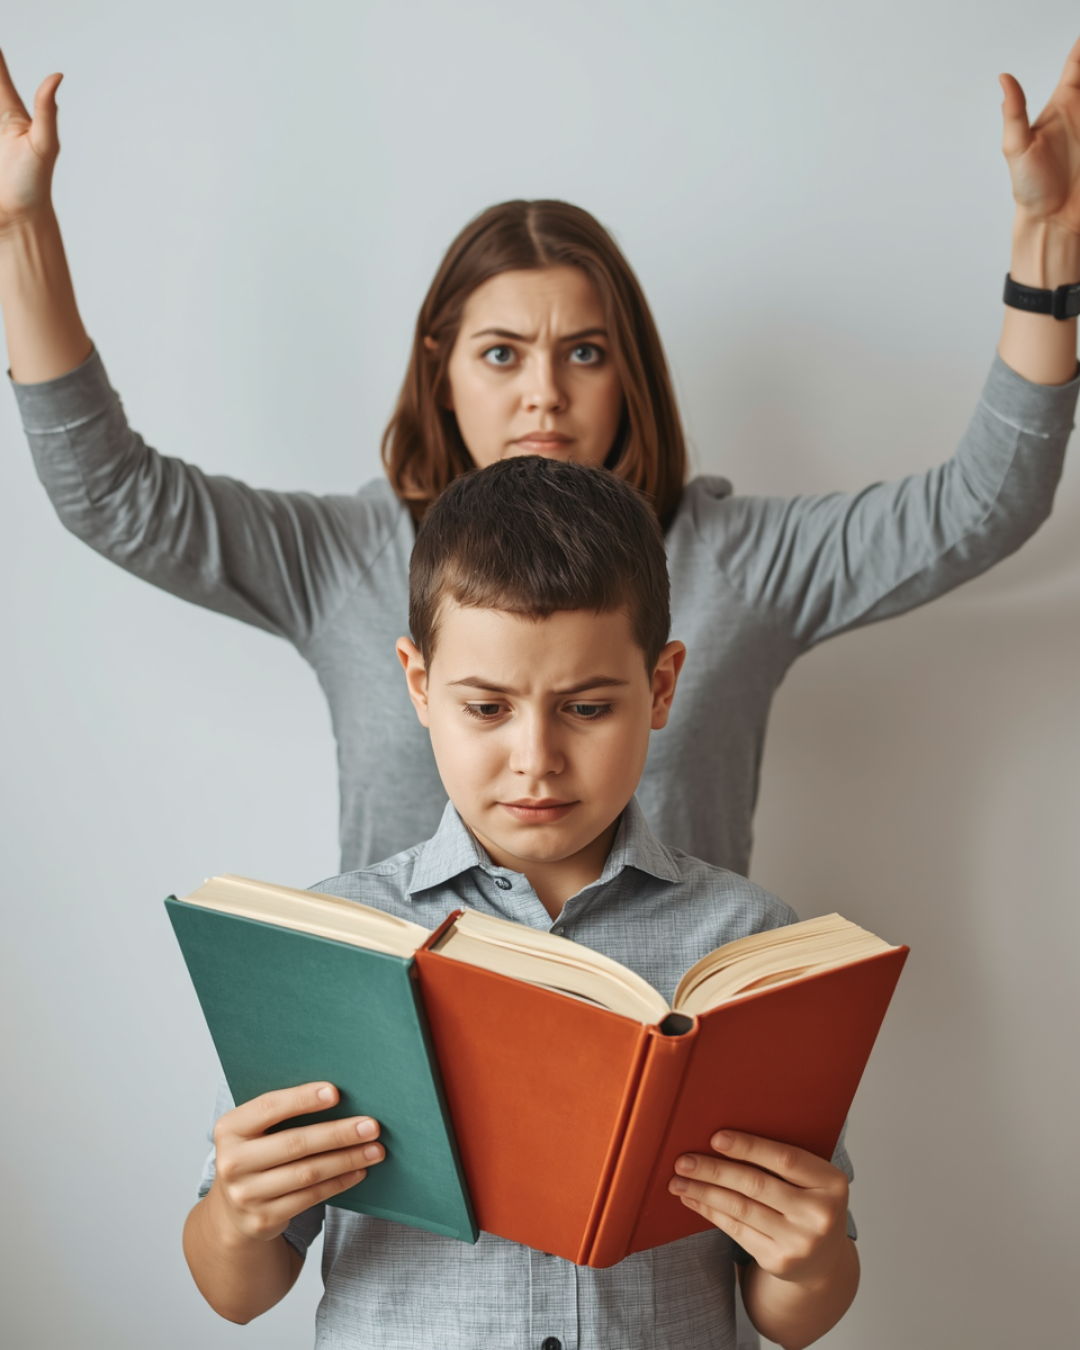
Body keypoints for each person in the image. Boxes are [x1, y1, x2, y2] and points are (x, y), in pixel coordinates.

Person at [2, 42, 1079, 884]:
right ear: (443, 369)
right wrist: (19, 232)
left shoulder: (738, 561)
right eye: (503, 353)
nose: (544, 392)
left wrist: (1048, 245)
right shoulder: (338, 556)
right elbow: (114, 495)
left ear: (630, 374)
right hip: (407, 1075)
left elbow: (983, 502)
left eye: (585, 353)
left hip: (656, 1067)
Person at [183, 456, 861, 1350]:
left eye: (585, 708)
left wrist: (809, 1261)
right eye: (488, 707)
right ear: (420, 685)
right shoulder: (336, 942)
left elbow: (794, 1312)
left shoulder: (746, 942)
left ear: (661, 687)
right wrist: (238, 1214)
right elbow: (237, 1292)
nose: (535, 757)